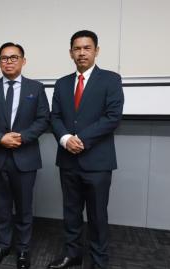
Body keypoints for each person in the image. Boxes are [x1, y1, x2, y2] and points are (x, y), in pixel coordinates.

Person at [48, 30, 124, 269]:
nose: (82, 53)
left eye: (87, 48)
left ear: (96, 51)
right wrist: (65, 139)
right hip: (68, 160)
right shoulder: (61, 84)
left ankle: (99, 261)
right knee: (70, 212)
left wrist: (79, 138)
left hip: (98, 162)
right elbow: (55, 117)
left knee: (97, 216)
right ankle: (73, 254)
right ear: (71, 52)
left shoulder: (111, 80)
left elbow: (113, 117)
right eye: (77, 48)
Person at [0, 42, 50, 269]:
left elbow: (43, 119)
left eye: (13, 57)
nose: (8, 62)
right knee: (1, 207)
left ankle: (23, 250)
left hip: (25, 156)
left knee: (24, 208)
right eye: (4, 58)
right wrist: (0, 138)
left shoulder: (36, 88)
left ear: (23, 61)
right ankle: (2, 245)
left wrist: (21, 137)